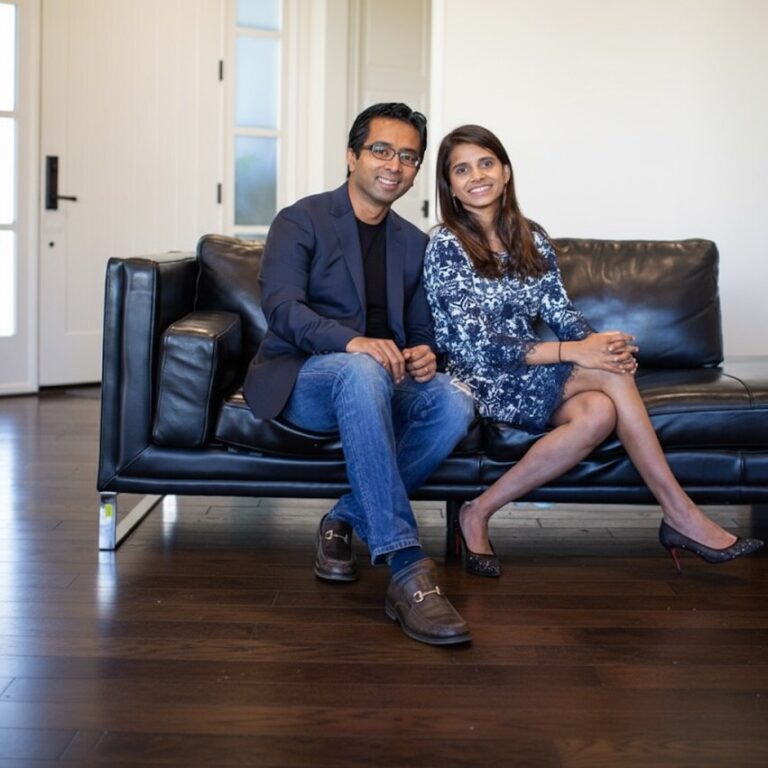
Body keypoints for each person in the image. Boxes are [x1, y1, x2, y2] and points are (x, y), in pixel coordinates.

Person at [423, 124, 763, 577]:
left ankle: (478, 510)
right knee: (607, 374)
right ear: (450, 186)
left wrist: (602, 344)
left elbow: (561, 312)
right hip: (477, 377)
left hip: (524, 373)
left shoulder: (531, 237)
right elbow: (480, 346)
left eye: (486, 163)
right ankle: (680, 513)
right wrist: (580, 353)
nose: (477, 176)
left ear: (505, 172)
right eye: (462, 169)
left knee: (599, 412)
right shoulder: (446, 246)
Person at [243, 104, 476, 645]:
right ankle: (407, 568)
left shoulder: (412, 243)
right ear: (352, 156)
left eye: (409, 157)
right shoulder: (300, 220)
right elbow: (282, 309)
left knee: (454, 400)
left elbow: (420, 328)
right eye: (382, 150)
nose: (395, 164)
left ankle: (344, 519)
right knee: (362, 368)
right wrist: (352, 343)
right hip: (305, 377)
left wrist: (424, 353)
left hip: (383, 379)